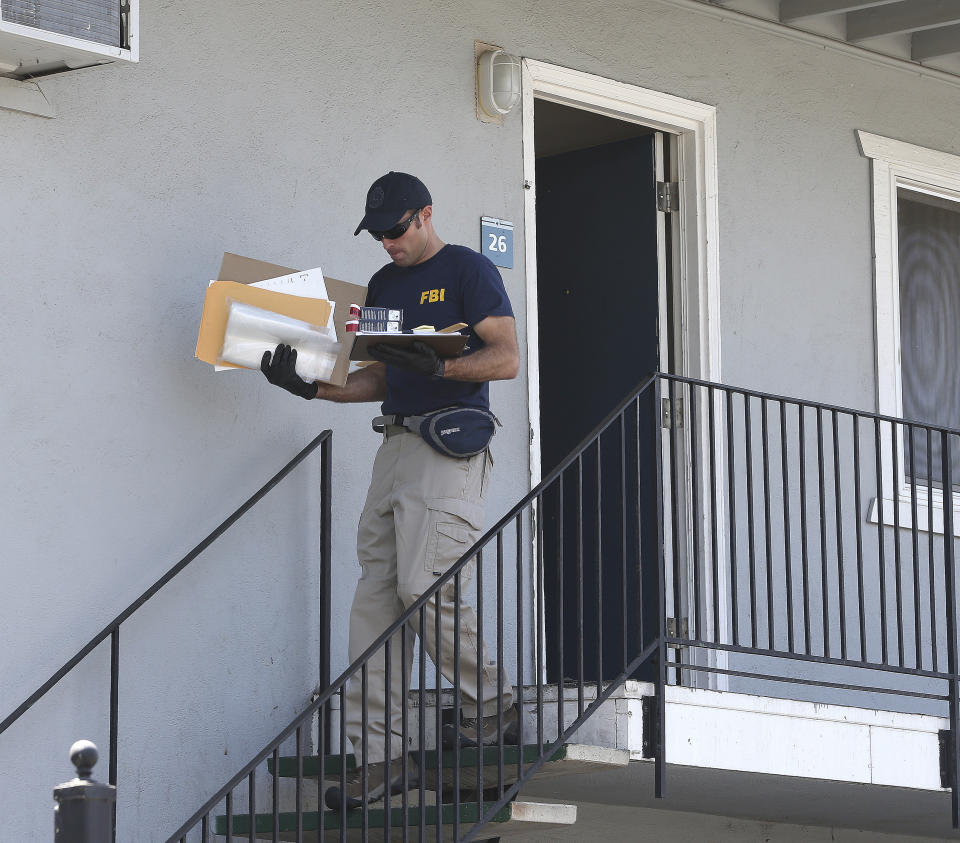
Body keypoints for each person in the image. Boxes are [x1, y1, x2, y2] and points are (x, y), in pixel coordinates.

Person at [260, 172, 520, 810]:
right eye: (378, 233)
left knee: (422, 586)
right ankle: (379, 758)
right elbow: (377, 374)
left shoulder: (469, 270)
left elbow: (508, 357)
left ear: (426, 215)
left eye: (397, 229)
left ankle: (490, 707)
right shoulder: (382, 286)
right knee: (374, 599)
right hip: (395, 445)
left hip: (448, 448)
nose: (387, 242)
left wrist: (443, 366)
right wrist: (313, 387)